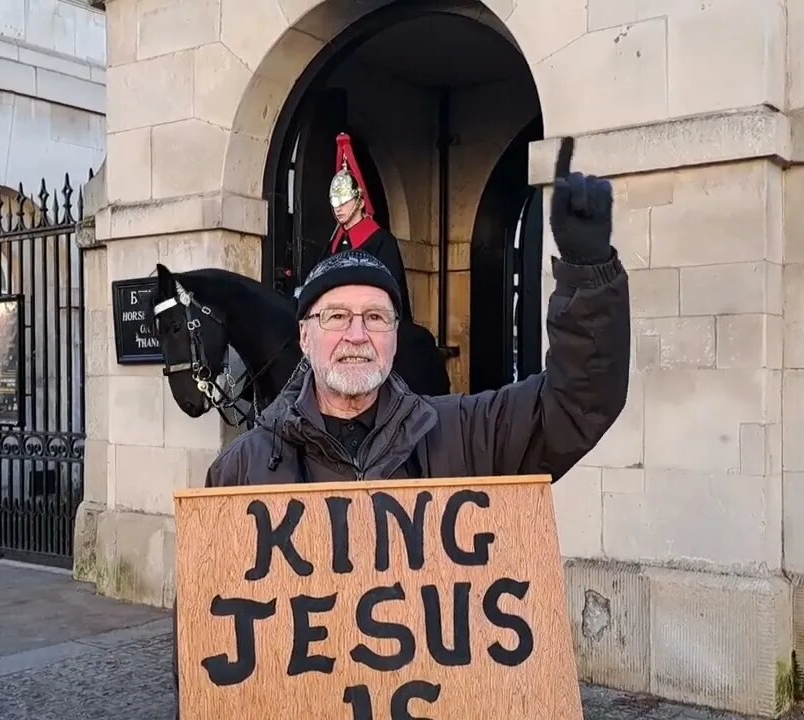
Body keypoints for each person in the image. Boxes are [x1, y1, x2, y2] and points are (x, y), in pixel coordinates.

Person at [170, 137, 630, 714]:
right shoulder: (240, 470)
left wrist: (588, 275)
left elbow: (576, 403)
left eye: (375, 317)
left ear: (395, 334)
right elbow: (207, 648)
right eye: (336, 316)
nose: (356, 334)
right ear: (305, 336)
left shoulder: (466, 434)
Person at [314, 132, 414, 321]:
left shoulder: (382, 242)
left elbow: (390, 294)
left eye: (345, 202)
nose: (338, 208)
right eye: (335, 202)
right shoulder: (332, 246)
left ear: (360, 202)